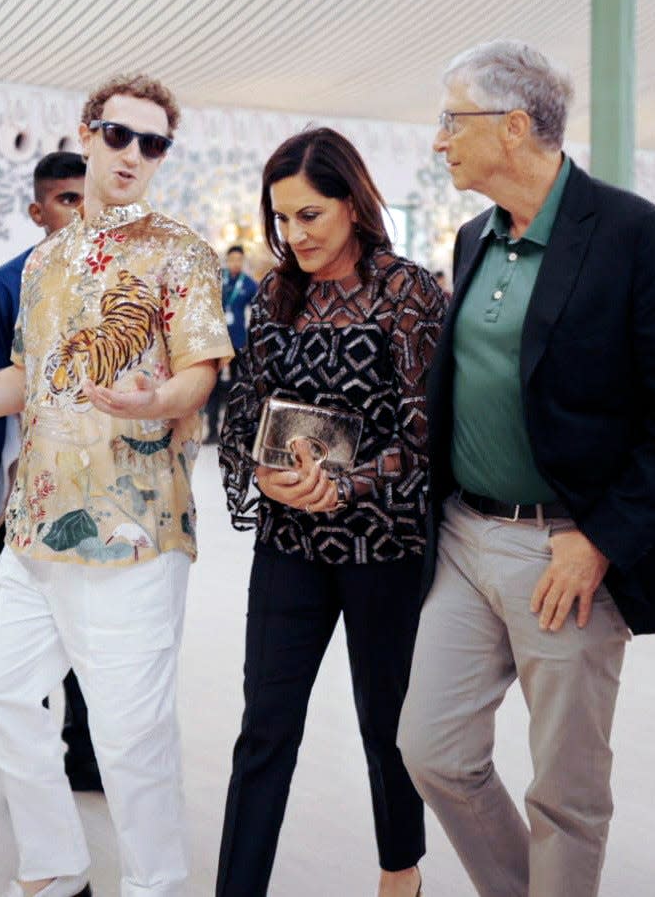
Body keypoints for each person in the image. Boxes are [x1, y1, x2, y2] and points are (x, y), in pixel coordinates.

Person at [0, 74, 233, 897]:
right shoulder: (44, 263)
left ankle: (152, 883)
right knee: (1, 698)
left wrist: (159, 397)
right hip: (34, 527)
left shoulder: (181, 250)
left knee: (131, 731)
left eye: (154, 142)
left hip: (134, 529)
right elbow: (27, 378)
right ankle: (57, 871)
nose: (134, 153)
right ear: (88, 135)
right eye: (119, 135)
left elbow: (201, 372)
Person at [397, 40, 655, 897]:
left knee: (565, 792)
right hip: (465, 536)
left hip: (567, 556)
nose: (437, 141)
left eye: (450, 120)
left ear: (512, 126)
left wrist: (601, 538)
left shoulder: (634, 234)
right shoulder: (473, 238)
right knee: (430, 749)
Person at [216, 127, 446, 897]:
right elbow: (244, 408)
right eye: (281, 219)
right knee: (264, 729)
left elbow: (430, 436)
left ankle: (399, 873)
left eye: (309, 215)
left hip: (383, 545)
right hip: (288, 542)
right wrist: (264, 472)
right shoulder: (274, 294)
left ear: (352, 203)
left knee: (386, 726)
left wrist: (346, 484)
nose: (293, 235)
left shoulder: (405, 290)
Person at [0, 151, 102, 792]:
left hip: (99, 483)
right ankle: (35, 769)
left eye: (87, 197)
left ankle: (86, 752)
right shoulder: (2, 287)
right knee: (27, 630)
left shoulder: (114, 276)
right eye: (66, 199)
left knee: (89, 620)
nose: (80, 210)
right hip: (24, 482)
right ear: (36, 210)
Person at [204, 245, 258, 443]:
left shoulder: (249, 284)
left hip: (238, 341)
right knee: (213, 386)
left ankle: (234, 432)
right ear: (226, 260)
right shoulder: (216, 279)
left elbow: (258, 309)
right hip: (216, 341)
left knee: (238, 386)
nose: (235, 263)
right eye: (232, 259)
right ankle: (211, 431)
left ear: (243, 262)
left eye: (239, 260)